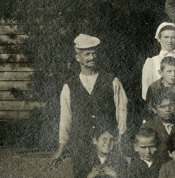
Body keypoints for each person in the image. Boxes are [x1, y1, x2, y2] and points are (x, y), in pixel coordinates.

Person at [53, 34, 129, 165]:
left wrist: (121, 139)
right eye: (87, 54)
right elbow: (65, 119)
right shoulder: (69, 86)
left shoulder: (112, 81)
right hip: (80, 146)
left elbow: (122, 112)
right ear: (78, 58)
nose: (91, 57)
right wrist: (61, 148)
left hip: (108, 144)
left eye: (94, 54)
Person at [141, 22, 175, 102]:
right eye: (166, 37)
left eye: (173, 37)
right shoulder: (151, 62)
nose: (170, 41)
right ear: (159, 39)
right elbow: (146, 91)